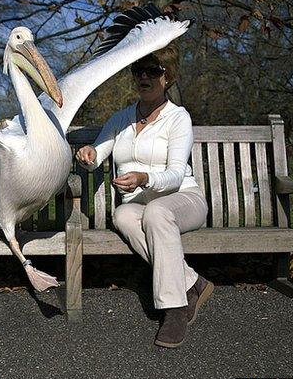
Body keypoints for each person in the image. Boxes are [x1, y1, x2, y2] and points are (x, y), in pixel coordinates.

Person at [75, 44, 214, 348]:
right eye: (139, 70)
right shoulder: (120, 119)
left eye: (154, 70)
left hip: (183, 200)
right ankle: (191, 281)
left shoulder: (178, 118)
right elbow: (98, 152)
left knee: (156, 213)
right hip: (139, 205)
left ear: (168, 77)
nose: (145, 76)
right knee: (122, 215)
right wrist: (89, 154)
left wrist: (144, 178)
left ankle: (174, 309)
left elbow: (177, 174)